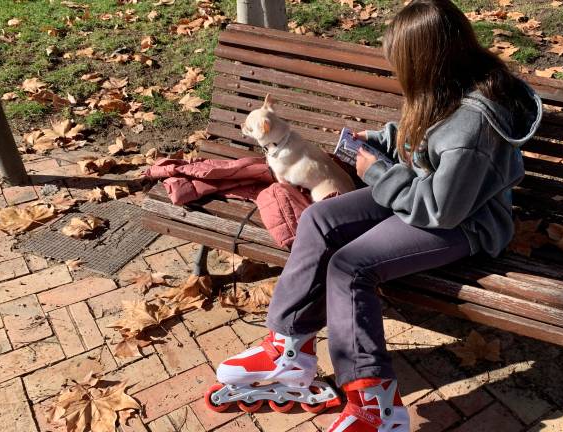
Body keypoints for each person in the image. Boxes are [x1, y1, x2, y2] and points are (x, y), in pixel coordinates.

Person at [216, 0, 543, 430]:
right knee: (320, 220)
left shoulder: (473, 127)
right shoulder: (450, 83)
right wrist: (383, 140)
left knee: (351, 268)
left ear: (426, 61)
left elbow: (439, 210)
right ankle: (288, 351)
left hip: (466, 223)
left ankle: (377, 405)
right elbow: (426, 136)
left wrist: (380, 174)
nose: (397, 72)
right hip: (422, 191)